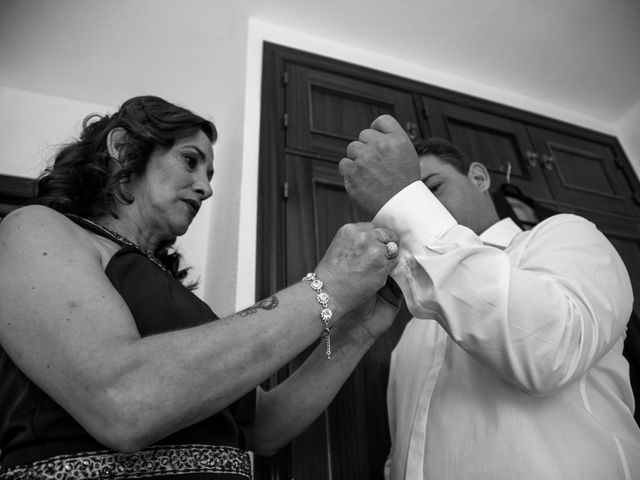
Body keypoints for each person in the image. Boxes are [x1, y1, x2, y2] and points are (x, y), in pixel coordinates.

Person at [0, 96, 404, 480]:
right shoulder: (36, 228)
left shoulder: (174, 294)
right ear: (123, 149)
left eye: (208, 174)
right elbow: (122, 400)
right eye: (190, 161)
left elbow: (263, 427)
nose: (206, 188)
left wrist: (356, 331)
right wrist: (331, 285)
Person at [339, 117, 640, 479]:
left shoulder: (568, 237)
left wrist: (403, 203)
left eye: (431, 189)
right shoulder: (412, 330)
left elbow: (549, 351)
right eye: (411, 201)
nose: (424, 209)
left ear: (479, 178)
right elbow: (404, 447)